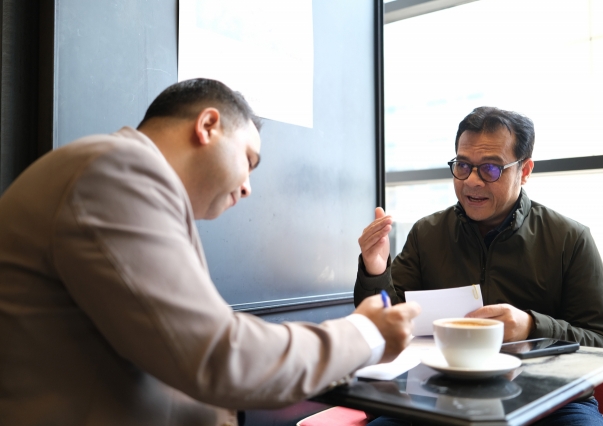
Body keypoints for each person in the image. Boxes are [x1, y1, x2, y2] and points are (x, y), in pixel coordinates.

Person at [0, 78, 420, 426]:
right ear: (207, 125)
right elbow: (218, 355)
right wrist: (365, 332)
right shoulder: (117, 171)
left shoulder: (125, 178)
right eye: (249, 160)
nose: (247, 187)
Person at [355, 107, 603, 425]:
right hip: (439, 394)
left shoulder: (569, 238)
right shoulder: (427, 233)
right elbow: (383, 324)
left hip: (553, 403)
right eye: (462, 166)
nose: (472, 181)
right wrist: (375, 268)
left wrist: (533, 327)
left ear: (524, 170)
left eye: (490, 169)